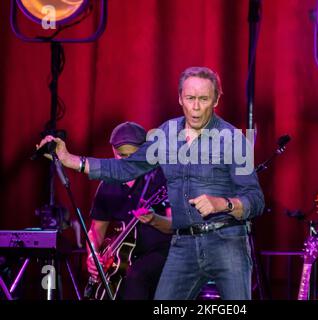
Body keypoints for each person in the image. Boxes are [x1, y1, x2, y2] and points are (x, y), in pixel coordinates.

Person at [37, 66, 265, 300]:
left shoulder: (234, 140)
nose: (196, 107)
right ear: (179, 98)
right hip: (183, 244)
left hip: (226, 242)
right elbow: (126, 168)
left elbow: (256, 200)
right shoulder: (166, 134)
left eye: (204, 99)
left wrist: (223, 204)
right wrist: (69, 159)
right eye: (190, 98)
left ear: (216, 99)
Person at [85, 121, 172, 300]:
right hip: (122, 260)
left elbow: (176, 225)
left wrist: (154, 219)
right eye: (121, 156)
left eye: (132, 156)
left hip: (161, 254)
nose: (126, 162)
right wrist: (92, 255)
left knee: (135, 277)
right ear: (113, 152)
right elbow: (95, 231)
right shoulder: (107, 184)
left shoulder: (160, 177)